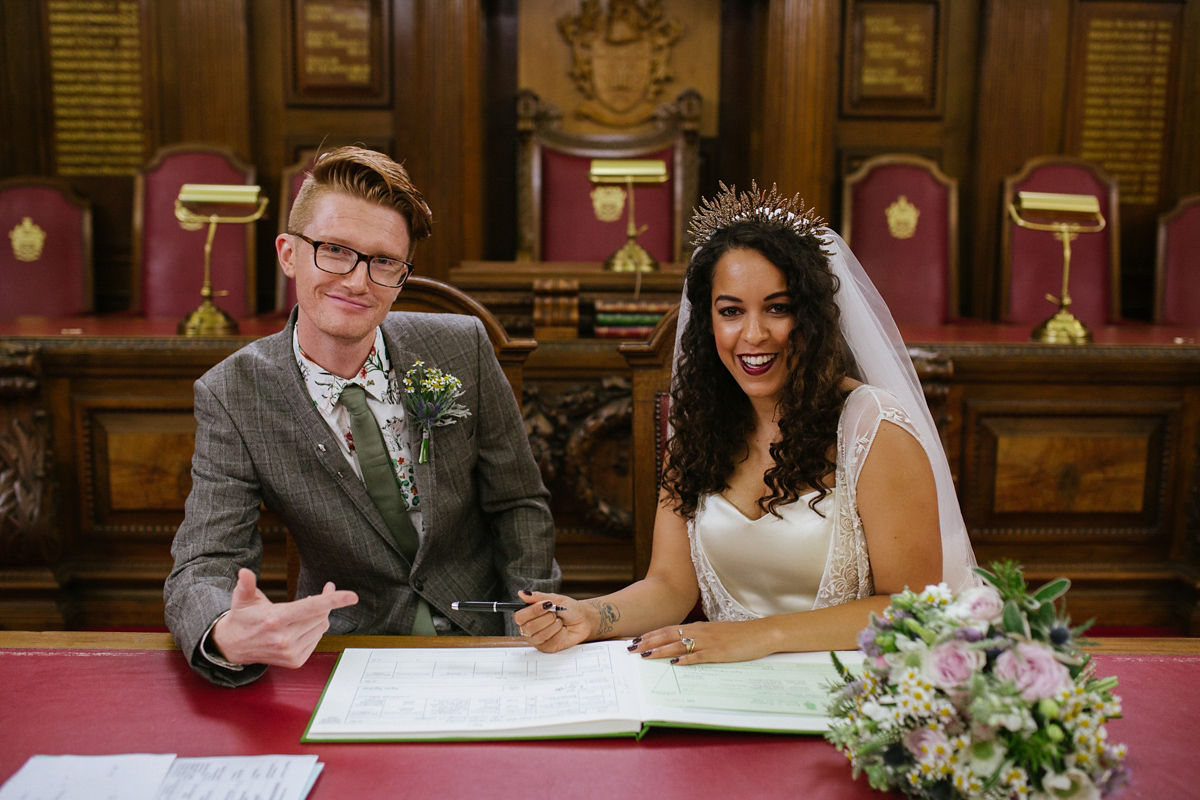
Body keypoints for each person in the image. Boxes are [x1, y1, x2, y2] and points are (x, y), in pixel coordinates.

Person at [516, 181, 975, 663]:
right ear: (707, 321)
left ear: (813, 317)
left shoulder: (875, 431)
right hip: (729, 689)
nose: (753, 335)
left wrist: (760, 636)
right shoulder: (698, 426)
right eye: (731, 311)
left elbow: (912, 610)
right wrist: (590, 615)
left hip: (852, 690)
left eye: (777, 309)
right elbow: (670, 586)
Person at [164, 146, 560, 686]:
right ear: (288, 253)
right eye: (334, 250)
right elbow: (203, 562)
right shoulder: (233, 393)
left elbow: (519, 503)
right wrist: (223, 630)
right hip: (350, 652)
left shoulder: (462, 347)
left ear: (401, 274)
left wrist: (527, 628)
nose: (357, 281)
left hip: (490, 643)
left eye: (383, 261)